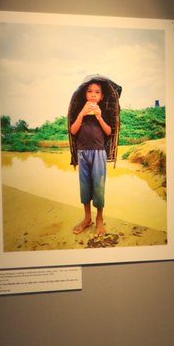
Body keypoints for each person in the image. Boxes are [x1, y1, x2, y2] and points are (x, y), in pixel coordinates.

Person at [66, 74, 121, 236]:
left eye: (97, 92)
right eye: (90, 91)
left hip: (98, 153)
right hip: (83, 153)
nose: (93, 94)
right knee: (85, 187)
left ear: (101, 96)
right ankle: (87, 218)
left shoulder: (102, 111)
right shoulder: (80, 111)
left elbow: (109, 132)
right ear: (85, 94)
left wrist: (98, 116)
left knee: (98, 187)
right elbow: (73, 131)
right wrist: (82, 113)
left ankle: (99, 219)